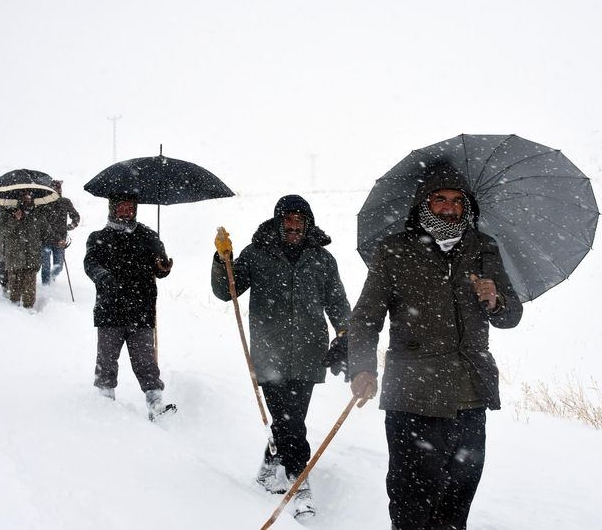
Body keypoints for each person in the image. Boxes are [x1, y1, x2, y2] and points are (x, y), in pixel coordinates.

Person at [347, 160, 523, 530]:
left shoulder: (483, 249)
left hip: (471, 396)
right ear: (423, 204)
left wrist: (496, 300)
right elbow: (365, 318)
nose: (449, 208)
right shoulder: (394, 251)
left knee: (457, 503)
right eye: (440, 199)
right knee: (411, 503)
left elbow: (511, 317)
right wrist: (363, 367)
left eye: (457, 201)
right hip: (413, 396)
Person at [210, 194, 351, 516]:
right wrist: (222, 260)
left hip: (309, 352)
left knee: (291, 418)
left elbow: (337, 301)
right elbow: (227, 291)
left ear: (308, 223)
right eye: (287, 219)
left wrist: (345, 333)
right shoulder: (256, 253)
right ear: (277, 222)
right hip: (269, 351)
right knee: (291, 421)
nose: (293, 226)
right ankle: (299, 482)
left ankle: (267, 469)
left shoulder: (322, 259)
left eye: (299, 220)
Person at [84, 195, 175, 420]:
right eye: (121, 207)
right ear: (112, 209)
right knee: (106, 359)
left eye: (130, 207)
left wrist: (163, 266)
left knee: (146, 361)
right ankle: (105, 399)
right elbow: (90, 264)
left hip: (141, 309)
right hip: (110, 309)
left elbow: (159, 269)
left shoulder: (149, 236)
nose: (126, 211)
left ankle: (155, 402)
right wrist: (102, 276)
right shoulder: (98, 237)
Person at [0, 192, 55, 308]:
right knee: (14, 292)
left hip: (32, 258)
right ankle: (13, 313)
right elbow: (3, 232)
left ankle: (29, 312)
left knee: (29, 291)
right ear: (19, 199)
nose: (27, 198)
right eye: (24, 197)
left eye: (29, 196)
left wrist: (58, 240)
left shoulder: (38, 216)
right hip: (14, 258)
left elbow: (48, 234)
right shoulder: (8, 213)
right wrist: (14, 219)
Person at [41, 180, 80, 285]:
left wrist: (72, 225)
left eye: (59, 188)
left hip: (61, 239)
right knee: (45, 266)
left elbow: (75, 216)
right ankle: (46, 286)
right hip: (45, 239)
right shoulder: (43, 202)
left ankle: (51, 280)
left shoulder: (65, 202)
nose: (58, 190)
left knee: (58, 266)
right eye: (56, 187)